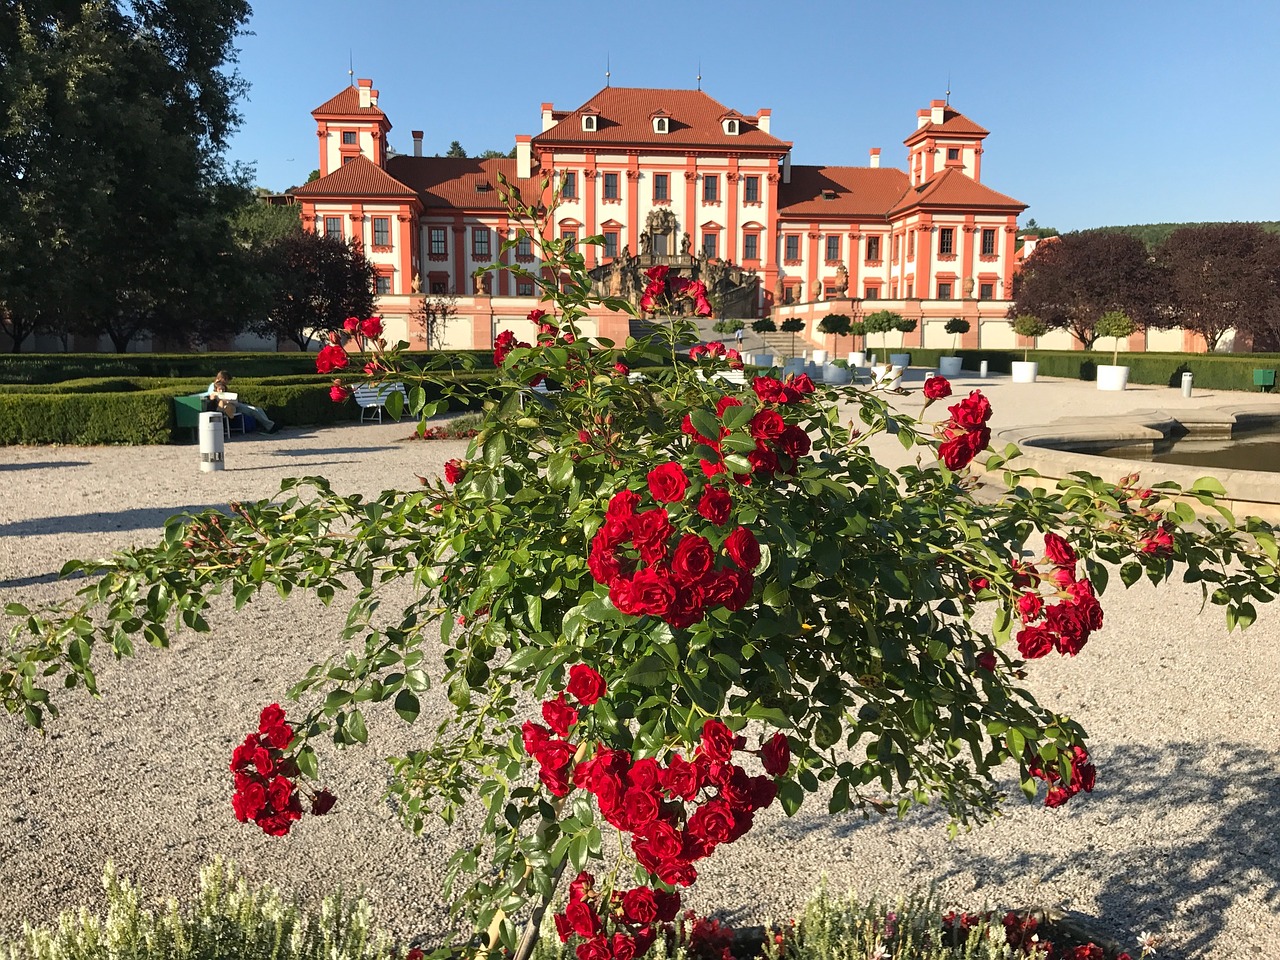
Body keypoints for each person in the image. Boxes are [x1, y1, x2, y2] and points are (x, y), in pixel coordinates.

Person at [205, 370, 278, 434]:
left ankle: (268, 425)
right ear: (222, 379)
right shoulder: (213, 386)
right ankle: (271, 427)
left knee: (258, 409)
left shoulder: (221, 386)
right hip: (228, 407)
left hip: (232, 404)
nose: (227, 383)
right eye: (227, 380)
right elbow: (214, 397)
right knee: (254, 410)